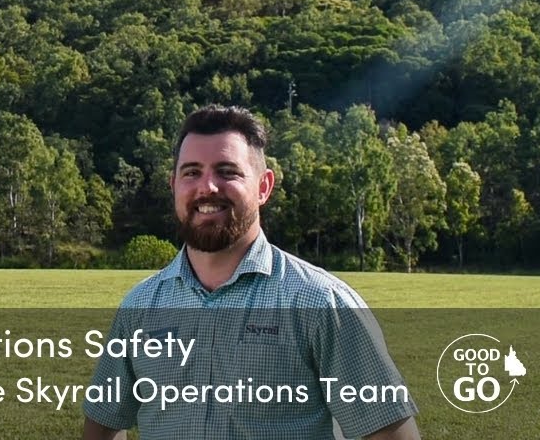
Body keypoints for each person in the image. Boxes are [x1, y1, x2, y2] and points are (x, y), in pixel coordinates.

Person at [83, 105, 420, 439]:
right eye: (192, 172)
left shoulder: (321, 302)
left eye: (227, 171)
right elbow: (104, 423)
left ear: (264, 186)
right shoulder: (140, 306)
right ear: (173, 186)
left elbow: (390, 432)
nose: (207, 188)